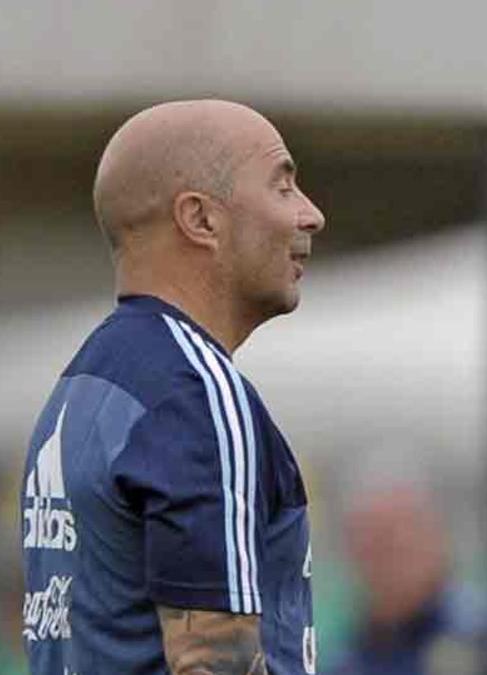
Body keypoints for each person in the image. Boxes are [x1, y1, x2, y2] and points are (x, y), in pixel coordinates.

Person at [20, 100, 326, 674]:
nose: (310, 216)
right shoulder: (196, 394)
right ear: (201, 220)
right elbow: (214, 662)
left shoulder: (84, 386)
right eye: (282, 187)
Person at [322, 465, 487, 675]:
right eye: (371, 543)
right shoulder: (343, 658)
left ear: (438, 537)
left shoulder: (483, 640)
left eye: (395, 538)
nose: (386, 562)